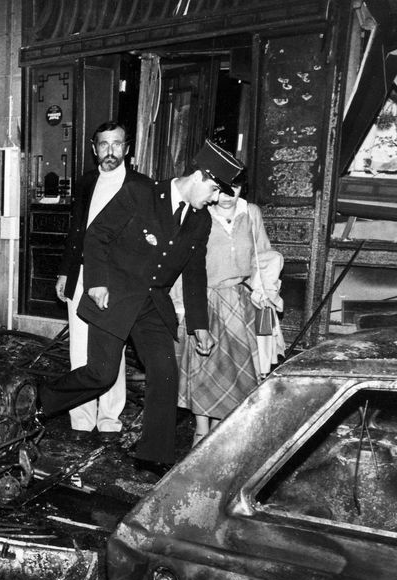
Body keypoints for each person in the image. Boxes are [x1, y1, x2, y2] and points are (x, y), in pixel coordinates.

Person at [38, 139, 245, 476]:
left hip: (151, 304)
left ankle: (154, 457)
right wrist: (96, 283)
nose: (213, 200)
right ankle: (42, 400)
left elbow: (194, 272)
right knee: (101, 375)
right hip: (115, 296)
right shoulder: (141, 193)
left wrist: (199, 324)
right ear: (201, 177)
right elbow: (97, 235)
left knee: (165, 374)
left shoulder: (199, 220)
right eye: (213, 192)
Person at [173, 170, 284, 445]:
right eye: (221, 188)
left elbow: (263, 253)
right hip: (204, 299)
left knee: (237, 372)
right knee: (203, 366)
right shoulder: (199, 214)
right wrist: (180, 306)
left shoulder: (252, 212)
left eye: (234, 186)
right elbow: (184, 264)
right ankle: (201, 432)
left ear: (241, 187)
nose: (227, 194)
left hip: (239, 300)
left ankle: (221, 436)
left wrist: (264, 290)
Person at [56, 121, 151, 437]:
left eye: (117, 144)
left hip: (118, 282)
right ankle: (81, 419)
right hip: (83, 277)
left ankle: (110, 419)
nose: (110, 151)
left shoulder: (140, 185)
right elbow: (76, 232)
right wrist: (65, 272)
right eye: (104, 144)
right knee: (80, 351)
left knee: (112, 351)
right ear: (94, 148)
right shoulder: (85, 183)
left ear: (127, 147)